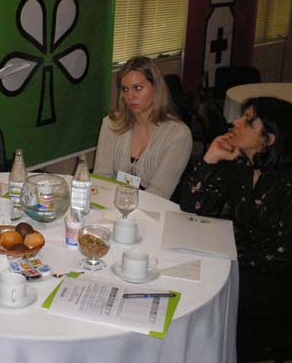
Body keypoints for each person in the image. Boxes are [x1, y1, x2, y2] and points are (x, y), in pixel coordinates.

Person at [179, 97, 292, 363]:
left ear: (269, 139)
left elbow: (283, 254)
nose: (235, 122)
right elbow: (193, 207)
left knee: (207, 294)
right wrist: (211, 157)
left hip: (277, 280)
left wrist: (230, 257)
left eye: (248, 121)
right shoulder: (242, 165)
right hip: (242, 260)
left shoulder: (286, 183)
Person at [93, 56, 192, 199]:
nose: (130, 96)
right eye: (125, 89)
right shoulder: (111, 124)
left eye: (137, 88)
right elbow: (102, 178)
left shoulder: (178, 135)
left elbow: (159, 193)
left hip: (154, 206)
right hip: (112, 202)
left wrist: (123, 205)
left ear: (156, 88)